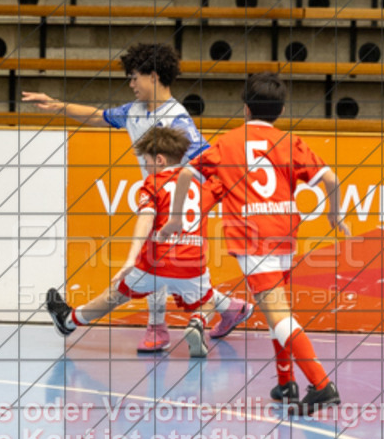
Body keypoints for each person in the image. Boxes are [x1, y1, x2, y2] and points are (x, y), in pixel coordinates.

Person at [23, 43, 251, 352]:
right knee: (171, 273)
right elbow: (98, 116)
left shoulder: (178, 120)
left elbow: (209, 162)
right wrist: (57, 105)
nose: (131, 84)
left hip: (177, 208)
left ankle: (158, 329)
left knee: (151, 265)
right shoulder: (133, 113)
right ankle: (228, 310)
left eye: (134, 77)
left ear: (153, 77)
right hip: (158, 200)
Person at [157, 73, 350, 413]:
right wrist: (335, 215)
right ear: (282, 109)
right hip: (285, 234)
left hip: (251, 238)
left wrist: (175, 218)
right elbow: (331, 179)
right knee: (278, 309)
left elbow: (186, 173)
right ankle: (285, 381)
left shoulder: (227, 143)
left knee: (278, 314)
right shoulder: (291, 141)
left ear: (244, 109)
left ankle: (321, 385)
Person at [46, 126, 241, 358]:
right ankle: (197, 323)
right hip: (192, 262)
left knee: (116, 295)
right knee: (207, 300)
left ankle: (69, 320)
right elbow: (233, 186)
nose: (146, 166)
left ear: (159, 159)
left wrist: (130, 259)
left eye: (146, 160)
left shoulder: (153, 183)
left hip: (155, 262)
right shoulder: (204, 186)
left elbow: (146, 219)